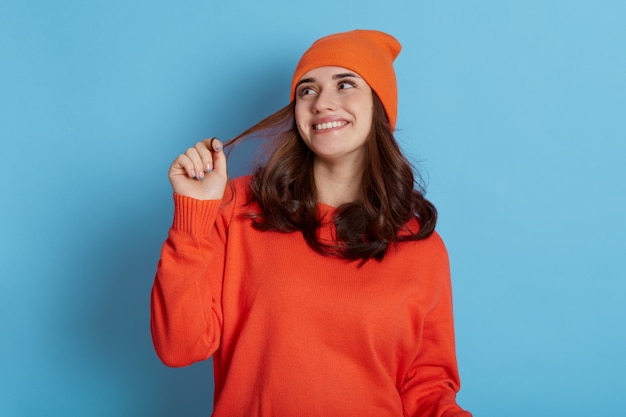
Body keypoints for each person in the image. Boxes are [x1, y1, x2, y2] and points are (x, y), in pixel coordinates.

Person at [151, 29, 472, 416]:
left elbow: (427, 387)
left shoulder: (420, 245)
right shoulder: (238, 208)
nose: (322, 102)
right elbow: (179, 346)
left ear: (379, 105)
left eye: (345, 84)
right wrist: (193, 216)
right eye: (307, 90)